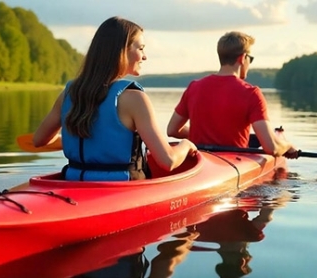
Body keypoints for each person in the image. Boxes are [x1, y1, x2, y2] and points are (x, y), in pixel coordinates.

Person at [33, 16, 197, 181]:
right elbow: (167, 160)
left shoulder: (69, 93)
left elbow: (39, 139)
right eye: (141, 48)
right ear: (122, 51)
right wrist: (186, 145)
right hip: (120, 191)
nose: (145, 56)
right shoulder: (134, 99)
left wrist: (78, 141)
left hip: (73, 184)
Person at [166, 31, 298, 158]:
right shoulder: (251, 93)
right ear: (242, 58)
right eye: (249, 59)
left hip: (199, 159)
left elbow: (172, 130)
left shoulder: (194, 87)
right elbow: (271, 147)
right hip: (233, 163)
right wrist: (288, 146)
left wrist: (202, 137)